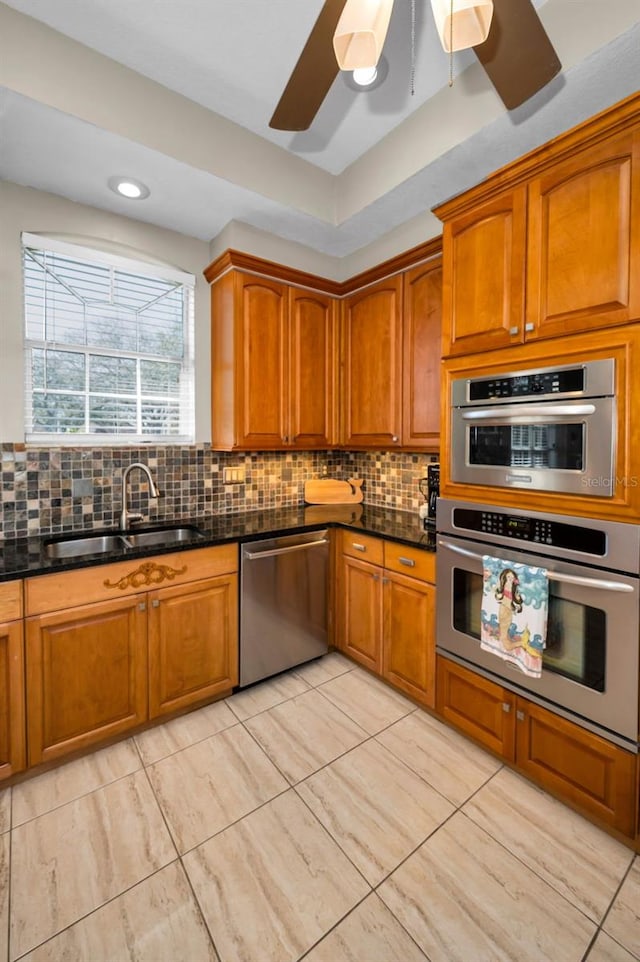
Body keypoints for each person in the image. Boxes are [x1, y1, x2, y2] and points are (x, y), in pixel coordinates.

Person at [495, 567, 523, 650]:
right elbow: (497, 593)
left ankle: (510, 643)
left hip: (508, 610)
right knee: (503, 629)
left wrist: (517, 597)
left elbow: (517, 599)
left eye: (512, 577)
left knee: (504, 629)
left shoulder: (513, 588)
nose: (510, 579)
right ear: (505, 577)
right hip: (504, 609)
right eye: (508, 577)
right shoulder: (505, 585)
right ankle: (513, 645)